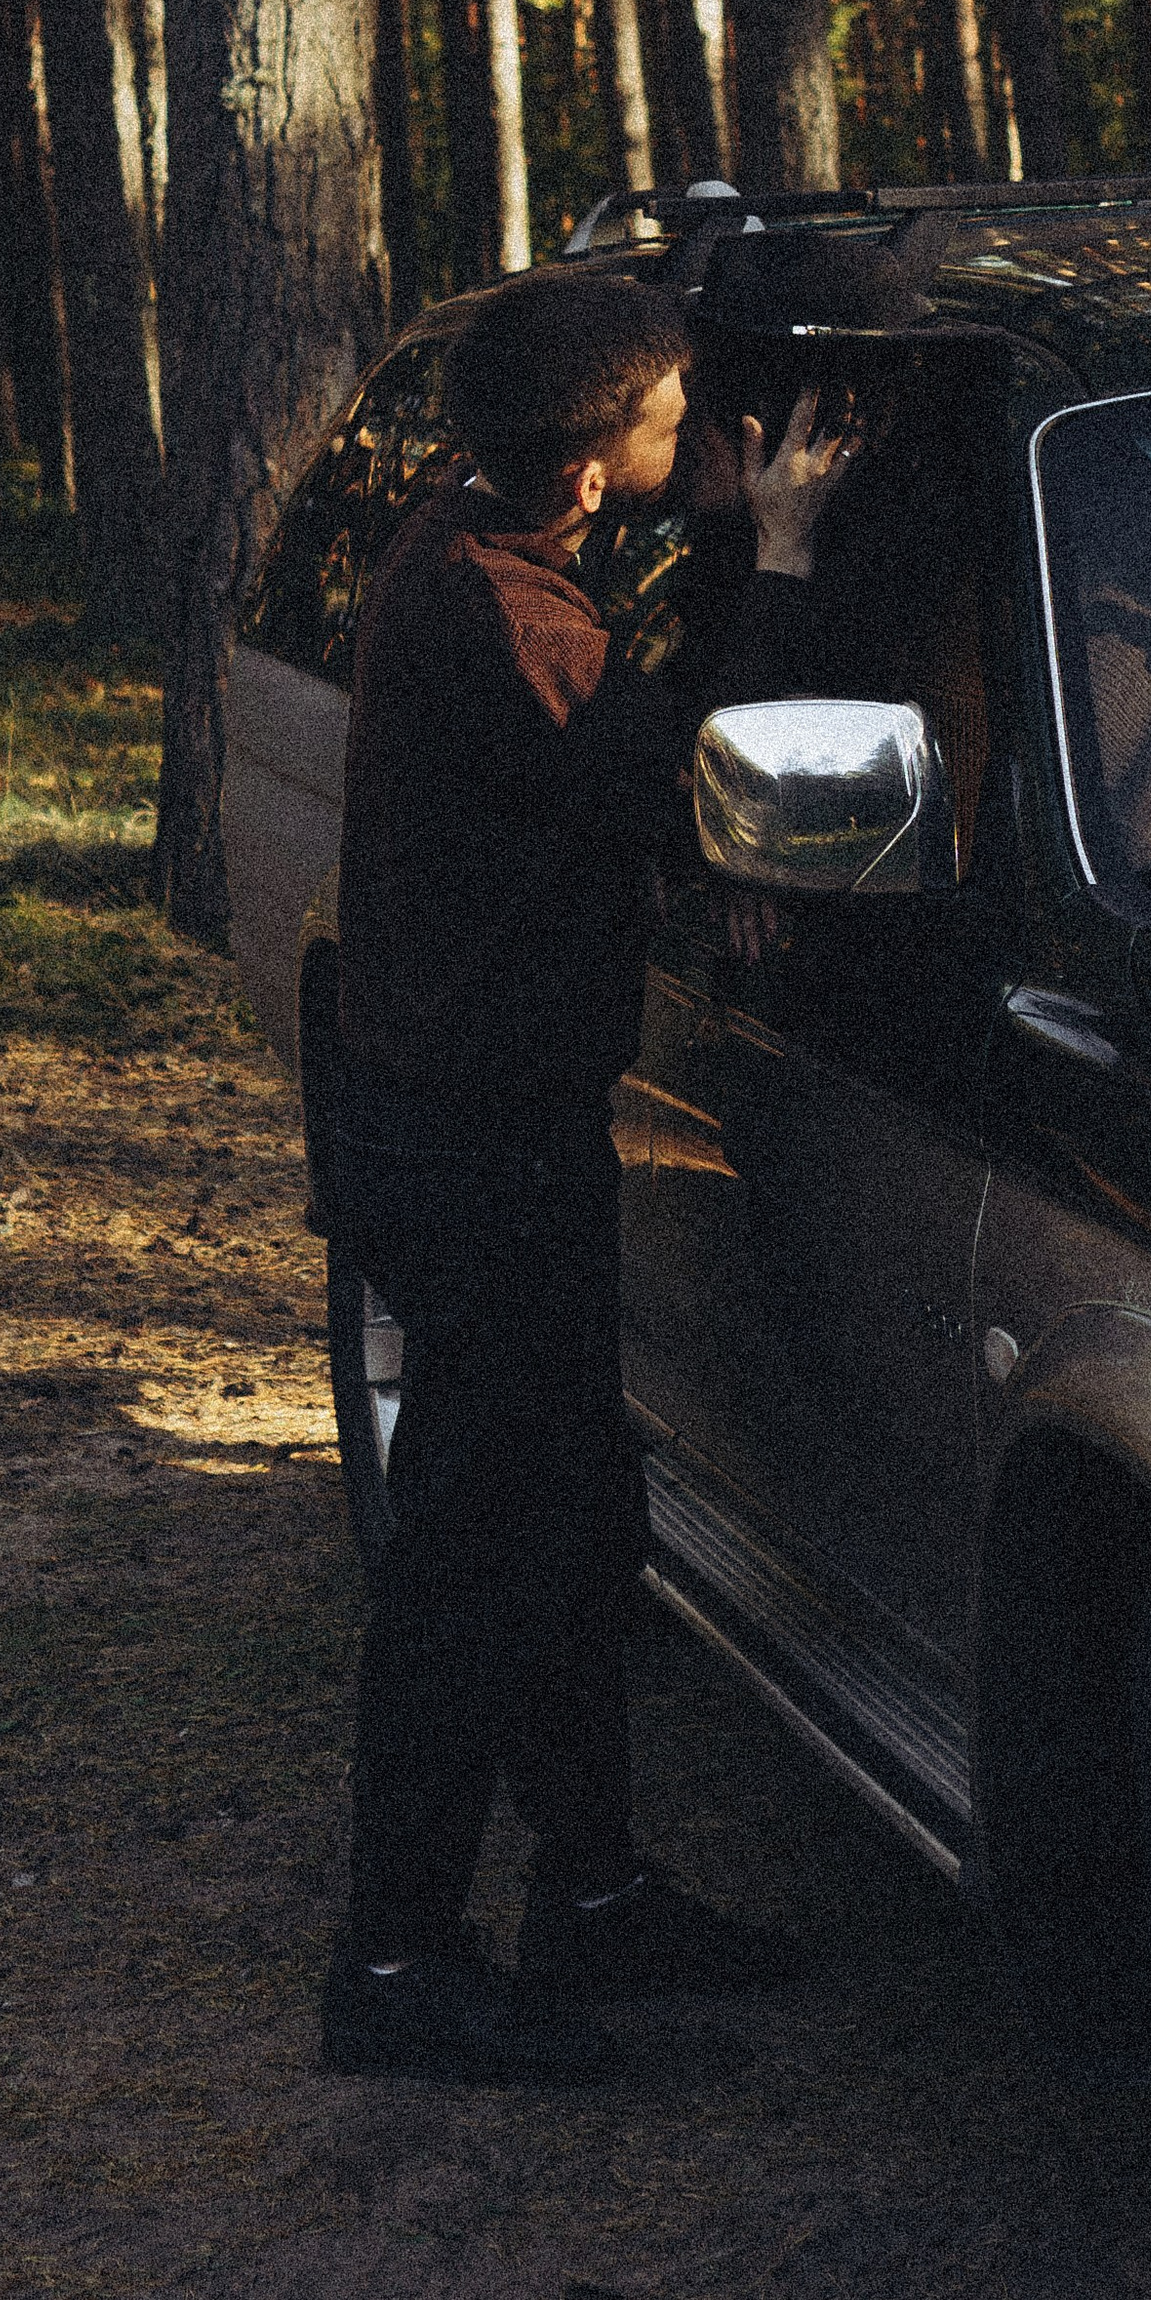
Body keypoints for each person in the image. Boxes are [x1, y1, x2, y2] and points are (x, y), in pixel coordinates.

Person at [319, 263, 858, 2085]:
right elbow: (704, 779)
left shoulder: (474, 556)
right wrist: (779, 562)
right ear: (589, 452)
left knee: (567, 1516)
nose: (693, 424)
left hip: (465, 1124)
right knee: (478, 1553)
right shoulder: (499, 617)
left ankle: (597, 1892)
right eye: (670, 408)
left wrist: (709, 534)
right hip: (472, 1146)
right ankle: (391, 1965)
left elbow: (609, 728)